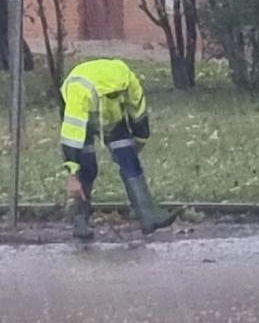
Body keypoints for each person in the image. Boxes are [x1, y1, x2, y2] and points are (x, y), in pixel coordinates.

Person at [60, 59, 177, 241]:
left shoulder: (128, 80)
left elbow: (138, 110)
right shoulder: (80, 91)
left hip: (113, 120)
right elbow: (72, 135)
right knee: (87, 168)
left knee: (130, 162)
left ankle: (149, 218)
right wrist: (72, 174)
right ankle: (80, 222)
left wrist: (140, 138)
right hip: (82, 118)